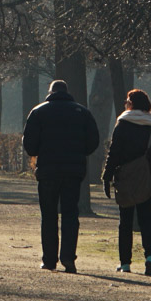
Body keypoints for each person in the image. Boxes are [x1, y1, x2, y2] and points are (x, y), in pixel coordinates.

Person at [21, 79, 101, 273]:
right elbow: (93, 142)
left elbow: (30, 145)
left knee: (48, 215)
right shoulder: (82, 112)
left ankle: (49, 259)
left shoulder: (38, 112)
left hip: (48, 170)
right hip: (73, 171)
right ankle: (68, 258)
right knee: (70, 214)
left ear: (50, 92)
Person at [101, 88, 151, 276]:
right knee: (147, 221)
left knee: (125, 221)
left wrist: (107, 176)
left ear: (131, 103)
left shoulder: (122, 124)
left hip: (126, 178)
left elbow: (114, 153)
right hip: (147, 179)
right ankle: (150, 258)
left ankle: (125, 262)